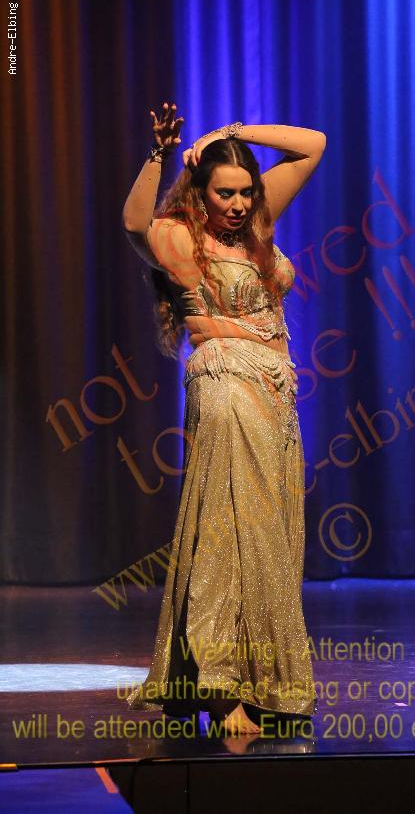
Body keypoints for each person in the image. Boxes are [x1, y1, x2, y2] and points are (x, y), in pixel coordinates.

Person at [122, 102, 326, 735]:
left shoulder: (258, 223)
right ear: (200, 192)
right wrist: (162, 155)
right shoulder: (183, 238)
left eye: (245, 192)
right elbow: (134, 223)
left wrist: (227, 134)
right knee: (228, 527)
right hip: (224, 385)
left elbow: (313, 143)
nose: (237, 205)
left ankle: (259, 681)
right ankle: (220, 684)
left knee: (270, 535)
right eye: (224, 194)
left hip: (274, 394)